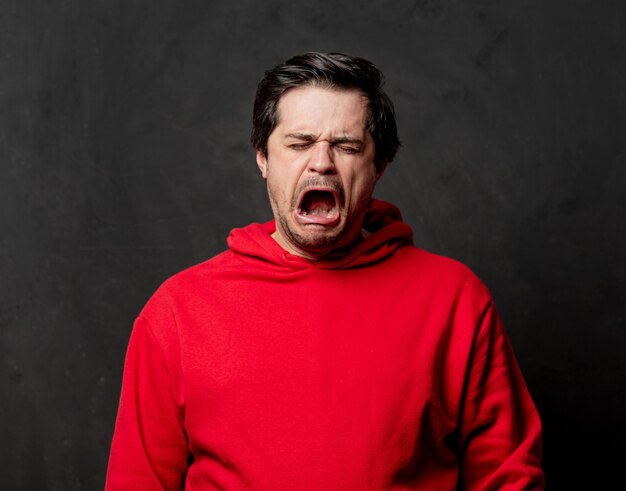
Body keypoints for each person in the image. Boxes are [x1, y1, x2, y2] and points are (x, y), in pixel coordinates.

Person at [105, 52, 544, 490]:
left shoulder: (455, 300)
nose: (321, 163)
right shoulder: (178, 312)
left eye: (347, 146)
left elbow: (507, 475)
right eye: (299, 143)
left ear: (379, 167)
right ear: (262, 157)